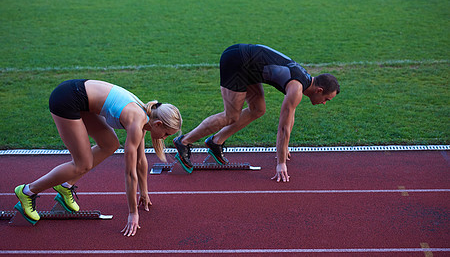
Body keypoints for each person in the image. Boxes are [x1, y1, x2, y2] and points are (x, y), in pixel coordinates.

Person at [14, 79, 182, 237]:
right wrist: (132, 213)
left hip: (80, 98)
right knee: (82, 164)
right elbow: (130, 173)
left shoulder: (146, 116)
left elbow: (140, 160)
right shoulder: (137, 121)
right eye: (166, 134)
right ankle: (28, 191)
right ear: (158, 124)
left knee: (109, 144)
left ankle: (65, 185)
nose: (164, 138)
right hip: (66, 99)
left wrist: (144, 192)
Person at [173, 44, 340, 182]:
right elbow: (283, 128)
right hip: (237, 61)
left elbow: (290, 117)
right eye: (327, 99)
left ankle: (216, 141)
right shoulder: (297, 88)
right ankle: (184, 141)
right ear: (319, 90)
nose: (324, 103)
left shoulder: (303, 81)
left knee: (258, 109)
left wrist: (285, 146)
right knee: (231, 115)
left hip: (249, 66)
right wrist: (281, 162)